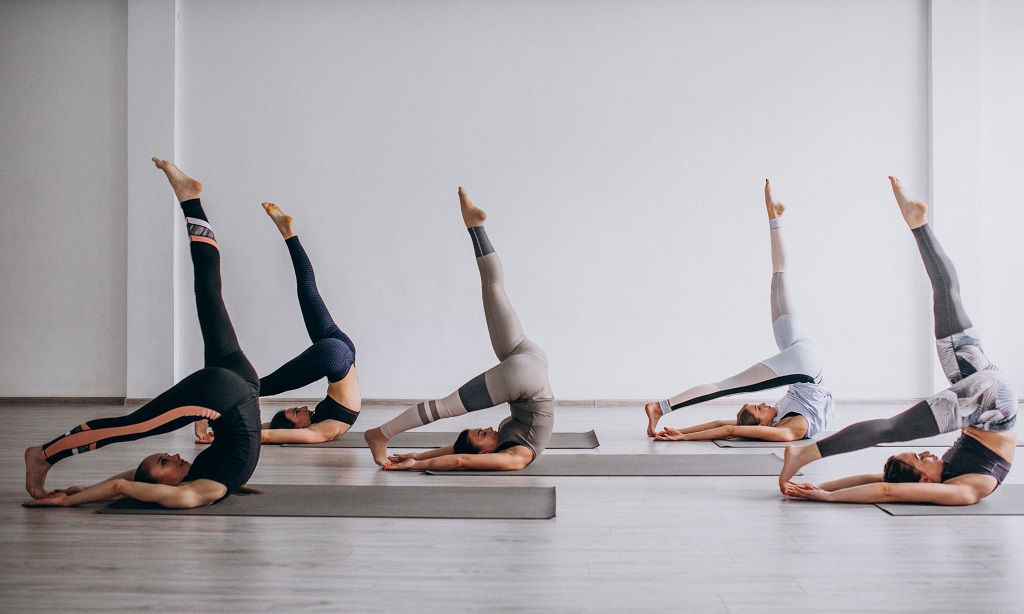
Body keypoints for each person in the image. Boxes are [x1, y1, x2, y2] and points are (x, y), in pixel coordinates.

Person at [23, 159, 261, 509]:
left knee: (210, 295)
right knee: (132, 426)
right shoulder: (196, 493)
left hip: (243, 388)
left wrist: (78, 494)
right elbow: (125, 484)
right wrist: (70, 502)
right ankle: (43, 455)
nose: (173, 455)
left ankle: (190, 200)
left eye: (161, 459)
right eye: (165, 462)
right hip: (224, 396)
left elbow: (127, 481)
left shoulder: (203, 482)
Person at [779, 176, 1016, 506]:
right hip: (989, 403)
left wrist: (824, 491)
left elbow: (879, 481)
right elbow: (888, 491)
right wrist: (826, 499)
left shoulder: (936, 476)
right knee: (891, 428)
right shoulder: (966, 489)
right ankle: (804, 454)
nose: (927, 452)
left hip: (989, 393)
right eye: (921, 459)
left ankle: (919, 223)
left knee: (947, 295)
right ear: (923, 480)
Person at [363, 187, 554, 471]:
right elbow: (463, 459)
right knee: (442, 408)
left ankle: (475, 226)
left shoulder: (502, 447)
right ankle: (380, 434)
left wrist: (416, 458)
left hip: (531, 362)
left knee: (494, 289)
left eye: (482, 434)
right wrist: (415, 466)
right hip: (524, 377)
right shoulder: (516, 457)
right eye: (483, 435)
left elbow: (459, 451)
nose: (488, 428)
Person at [647, 180, 833, 442]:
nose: (764, 404)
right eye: (759, 409)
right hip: (804, 366)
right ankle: (661, 407)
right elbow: (730, 430)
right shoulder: (791, 430)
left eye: (757, 406)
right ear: (764, 426)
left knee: (780, 276)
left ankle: (775, 217)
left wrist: (681, 431)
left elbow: (724, 423)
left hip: (802, 355)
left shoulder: (776, 417)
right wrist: (683, 440)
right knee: (725, 387)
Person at [193, 202, 360, 445]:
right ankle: (206, 410)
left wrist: (219, 434)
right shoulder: (322, 432)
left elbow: (268, 428)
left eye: (296, 411)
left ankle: (289, 233)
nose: (303, 407)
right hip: (334, 357)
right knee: (258, 387)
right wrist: (221, 438)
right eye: (296, 413)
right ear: (296, 428)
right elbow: (269, 435)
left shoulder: (315, 425)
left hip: (342, 354)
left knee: (308, 292)